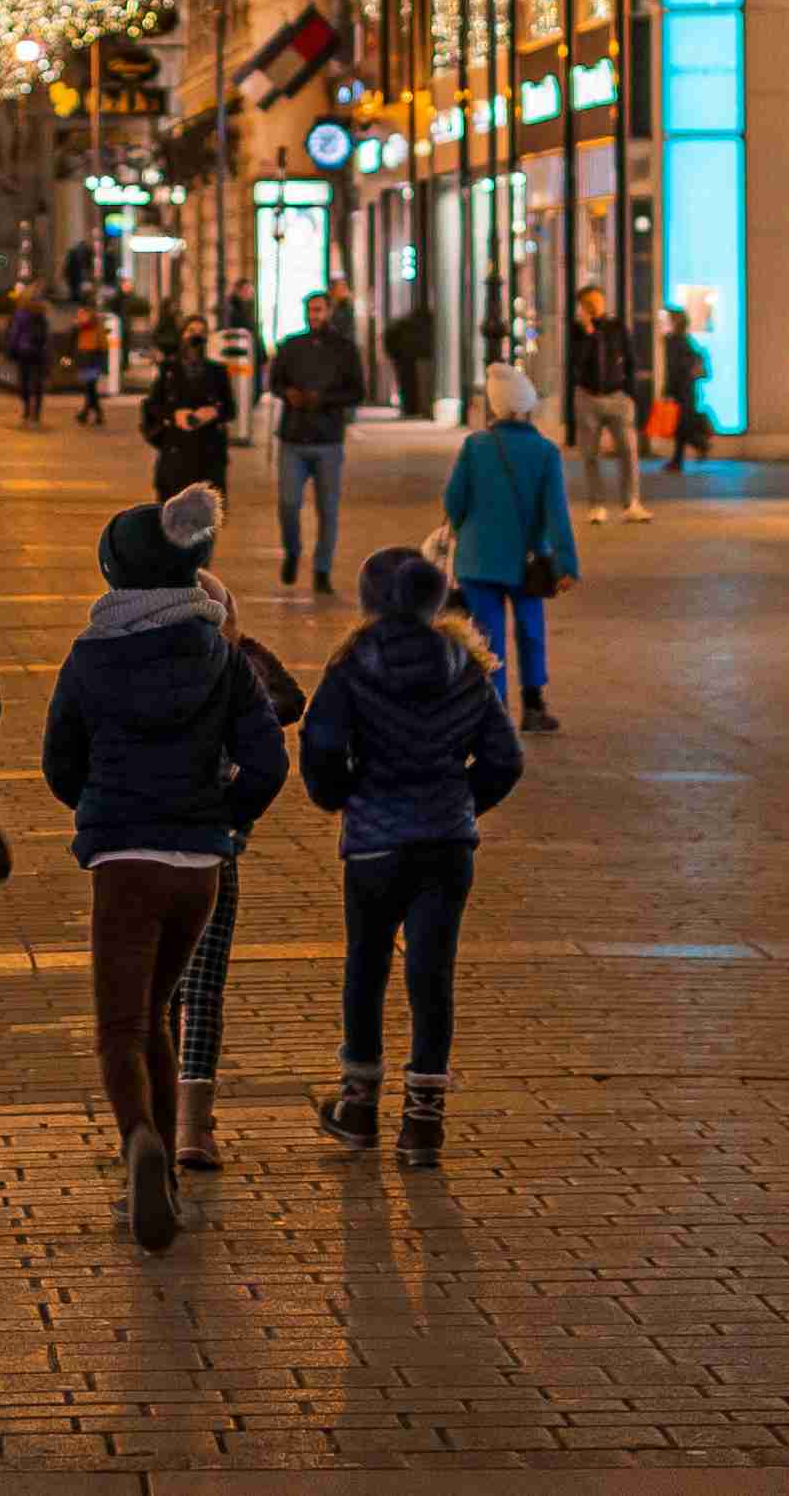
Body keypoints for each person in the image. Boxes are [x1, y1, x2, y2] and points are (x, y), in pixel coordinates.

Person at [39, 488, 287, 1253]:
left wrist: (98, 800)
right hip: (198, 868)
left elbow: (58, 762)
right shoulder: (220, 654)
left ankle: (141, 1139)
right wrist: (227, 814)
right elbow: (271, 757)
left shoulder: (91, 654)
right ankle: (169, 1172)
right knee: (159, 1005)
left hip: (124, 862)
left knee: (122, 1022)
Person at [300, 543, 526, 1166]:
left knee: (365, 968)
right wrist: (461, 803)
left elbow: (321, 750)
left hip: (375, 844)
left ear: (370, 600)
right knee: (433, 975)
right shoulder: (468, 666)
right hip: (446, 846)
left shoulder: (350, 667)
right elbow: (505, 758)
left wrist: (342, 797)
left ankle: (358, 1109)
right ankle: (423, 1125)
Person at [158, 504, 304, 1176]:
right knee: (204, 986)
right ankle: (193, 1125)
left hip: (141, 850)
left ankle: (157, 1116)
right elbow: (280, 737)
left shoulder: (142, 670)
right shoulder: (240, 681)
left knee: (151, 987)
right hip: (214, 853)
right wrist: (232, 822)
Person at [441, 363, 581, 735]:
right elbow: (556, 514)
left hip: (477, 559)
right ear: (528, 407)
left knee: (487, 635)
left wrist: (465, 530)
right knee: (530, 629)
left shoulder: (474, 446)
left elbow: (453, 501)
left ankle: (495, 708)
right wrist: (566, 564)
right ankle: (534, 705)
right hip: (526, 561)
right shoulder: (545, 453)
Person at [262, 290, 366, 594]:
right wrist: (288, 393)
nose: (314, 316)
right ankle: (292, 551)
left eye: (319, 310)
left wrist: (325, 399)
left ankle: (322, 569)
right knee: (288, 502)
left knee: (328, 510)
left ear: (329, 312)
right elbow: (276, 382)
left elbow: (356, 392)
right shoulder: (292, 345)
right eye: (311, 310)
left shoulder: (345, 350)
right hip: (293, 437)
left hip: (328, 439)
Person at [564, 285, 645, 522]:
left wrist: (630, 394)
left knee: (628, 451)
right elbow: (575, 362)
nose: (594, 306)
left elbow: (631, 360)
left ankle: (631, 503)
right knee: (590, 454)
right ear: (581, 306)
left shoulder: (617, 326)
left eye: (597, 301)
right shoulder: (577, 330)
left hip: (617, 397)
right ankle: (596, 505)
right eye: (588, 302)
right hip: (588, 397)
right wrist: (588, 332)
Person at [143, 322, 234, 497]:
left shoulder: (217, 371)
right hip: (175, 451)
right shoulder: (168, 370)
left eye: (201, 332)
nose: (195, 336)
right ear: (182, 334)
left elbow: (230, 409)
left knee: (205, 514)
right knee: (171, 510)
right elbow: (152, 405)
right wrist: (175, 415)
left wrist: (214, 413)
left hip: (209, 452)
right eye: (191, 331)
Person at [656, 305, 713, 473]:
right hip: (687, 389)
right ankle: (687, 453)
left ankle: (696, 446)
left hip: (682, 390)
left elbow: (674, 368)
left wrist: (667, 390)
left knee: (681, 426)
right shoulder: (683, 339)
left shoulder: (674, 341)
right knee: (681, 426)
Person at [383, 294, 438, 421]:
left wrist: (393, 355)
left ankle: (410, 409)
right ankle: (416, 408)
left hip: (404, 359)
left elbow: (390, 340)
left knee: (408, 386)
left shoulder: (402, 325)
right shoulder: (421, 327)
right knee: (418, 386)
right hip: (417, 358)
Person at [4, 287, 54, 425]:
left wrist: (10, 349)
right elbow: (48, 336)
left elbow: (15, 333)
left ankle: (27, 410)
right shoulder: (43, 312)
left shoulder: (20, 314)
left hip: (25, 352)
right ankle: (36, 413)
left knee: (24, 382)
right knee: (37, 383)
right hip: (39, 352)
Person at [67, 295, 114, 425]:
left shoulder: (87, 316)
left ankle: (89, 413)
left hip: (88, 354)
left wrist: (77, 322)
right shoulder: (98, 318)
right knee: (90, 386)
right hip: (94, 354)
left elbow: (80, 326)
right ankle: (91, 413)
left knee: (90, 386)